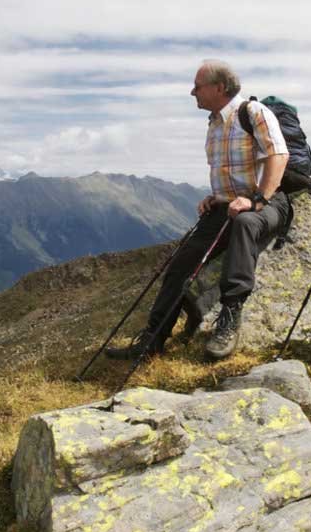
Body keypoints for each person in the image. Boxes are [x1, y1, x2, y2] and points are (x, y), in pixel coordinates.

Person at [106, 59, 290, 361]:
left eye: (198, 86)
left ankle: (229, 321)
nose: (193, 92)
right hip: (228, 206)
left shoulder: (254, 113)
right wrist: (216, 197)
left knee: (245, 224)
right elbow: (232, 174)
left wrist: (258, 200)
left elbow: (278, 156)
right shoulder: (215, 125)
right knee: (180, 264)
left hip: (267, 203)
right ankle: (153, 339)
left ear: (219, 87)